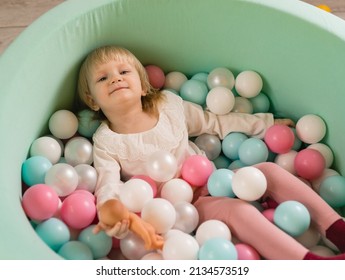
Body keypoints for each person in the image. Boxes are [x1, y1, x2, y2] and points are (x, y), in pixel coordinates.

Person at [77, 45, 345, 260]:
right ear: (92, 100)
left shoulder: (169, 106)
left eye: (124, 71)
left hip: (214, 181)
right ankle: (309, 263)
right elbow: (107, 185)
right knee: (239, 212)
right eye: (103, 78)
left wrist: (264, 124)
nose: (116, 78)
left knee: (268, 171)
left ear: (144, 85)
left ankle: (336, 228)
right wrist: (113, 213)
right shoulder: (106, 141)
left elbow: (215, 122)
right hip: (187, 210)